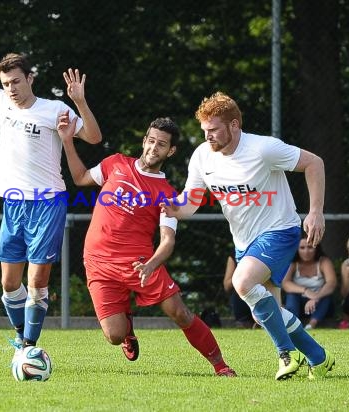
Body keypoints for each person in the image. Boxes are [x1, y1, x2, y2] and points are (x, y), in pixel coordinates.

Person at [0, 25, 102, 360]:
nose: (11, 89)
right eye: (6, 84)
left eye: (16, 82)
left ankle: (30, 346)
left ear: (30, 78)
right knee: (8, 283)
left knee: (37, 280)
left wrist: (80, 101)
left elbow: (92, 137)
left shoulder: (54, 110)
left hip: (47, 203)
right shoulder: (2, 103)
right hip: (13, 204)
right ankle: (21, 337)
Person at [161, 91, 334, 380]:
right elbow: (190, 202)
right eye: (205, 131)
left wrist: (315, 211)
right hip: (244, 241)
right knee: (266, 312)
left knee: (241, 281)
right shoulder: (203, 156)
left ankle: (286, 355)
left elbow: (314, 162)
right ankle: (319, 357)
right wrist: (171, 207)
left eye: (214, 130)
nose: (208, 137)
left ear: (234, 125)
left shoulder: (263, 148)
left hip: (280, 230)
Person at [56, 115, 236, 377]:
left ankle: (220, 365)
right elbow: (81, 177)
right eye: (151, 141)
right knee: (114, 336)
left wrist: (152, 264)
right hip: (98, 260)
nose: (154, 148)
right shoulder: (114, 163)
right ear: (144, 141)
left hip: (140, 264)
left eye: (161, 144)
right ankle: (127, 329)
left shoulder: (167, 194)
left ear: (171, 151)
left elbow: (167, 241)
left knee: (180, 313)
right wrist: (66, 141)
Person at [282, 234, 337, 330]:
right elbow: (286, 284)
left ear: (316, 248)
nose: (306, 251)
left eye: (310, 247)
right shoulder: (293, 263)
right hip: (299, 302)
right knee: (291, 295)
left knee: (326, 297)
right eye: (302, 248)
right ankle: (292, 325)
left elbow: (331, 283)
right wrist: (306, 291)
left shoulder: (323, 262)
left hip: (319, 304)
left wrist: (316, 297)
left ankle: (311, 325)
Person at [223, 255, 255, 328]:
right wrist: (242, 273)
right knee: (241, 288)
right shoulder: (233, 256)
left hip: (261, 291)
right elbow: (227, 285)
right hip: (242, 298)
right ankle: (244, 323)